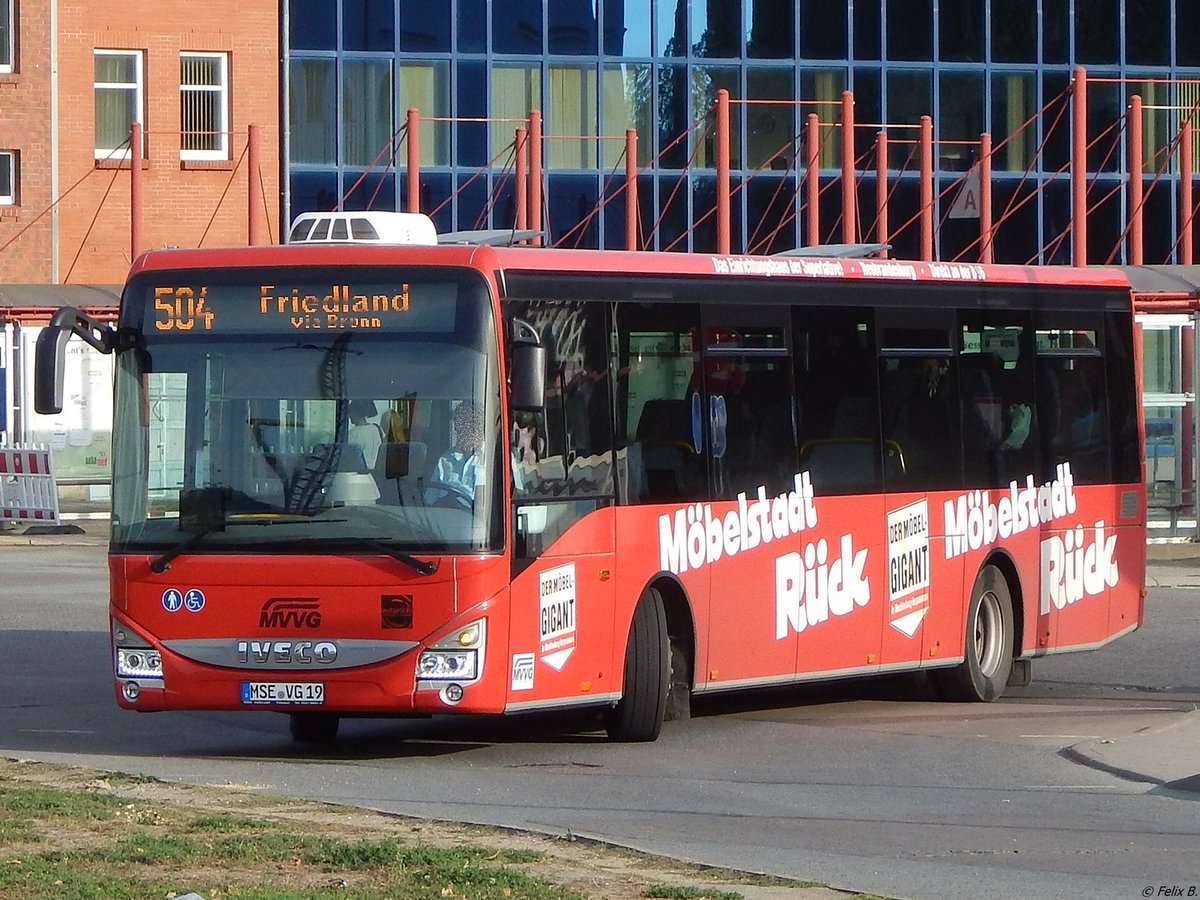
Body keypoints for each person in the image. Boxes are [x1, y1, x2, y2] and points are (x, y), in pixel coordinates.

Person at [429, 401, 485, 505]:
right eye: (459, 426)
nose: (459, 430)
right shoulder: (445, 459)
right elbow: (430, 499)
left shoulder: (497, 458)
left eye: (468, 426)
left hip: (480, 518)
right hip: (447, 516)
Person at [347, 399, 382, 471]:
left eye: (350, 411)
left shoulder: (352, 434)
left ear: (356, 412)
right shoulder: (376, 429)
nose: (349, 415)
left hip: (360, 473)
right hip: (376, 473)